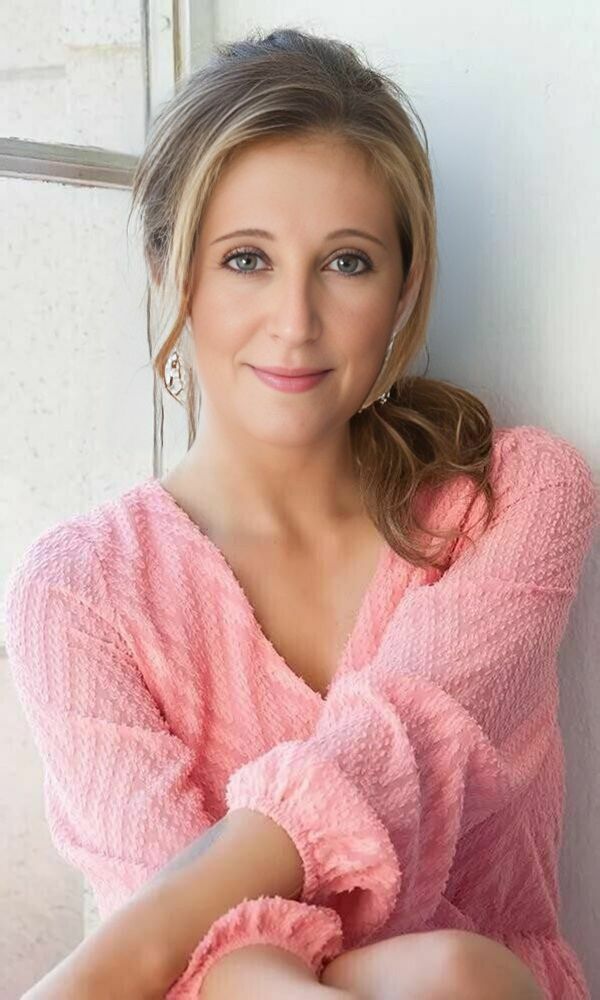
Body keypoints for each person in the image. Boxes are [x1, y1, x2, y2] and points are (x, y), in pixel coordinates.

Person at [4, 25, 598, 1000]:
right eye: (246, 259)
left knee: (453, 973)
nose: (295, 322)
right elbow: (205, 967)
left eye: (347, 263)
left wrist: (110, 964)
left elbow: (399, 749)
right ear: (168, 269)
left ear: (406, 285)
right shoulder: (78, 593)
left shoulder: (515, 499)